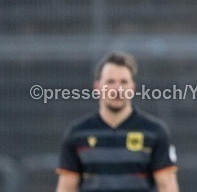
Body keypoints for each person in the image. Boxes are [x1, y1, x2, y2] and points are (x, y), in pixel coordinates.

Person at [56, 52, 178, 192]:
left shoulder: (155, 132)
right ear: (97, 87)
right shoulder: (77, 134)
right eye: (110, 82)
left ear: (132, 87)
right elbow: (66, 188)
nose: (117, 89)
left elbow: (167, 186)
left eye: (123, 82)